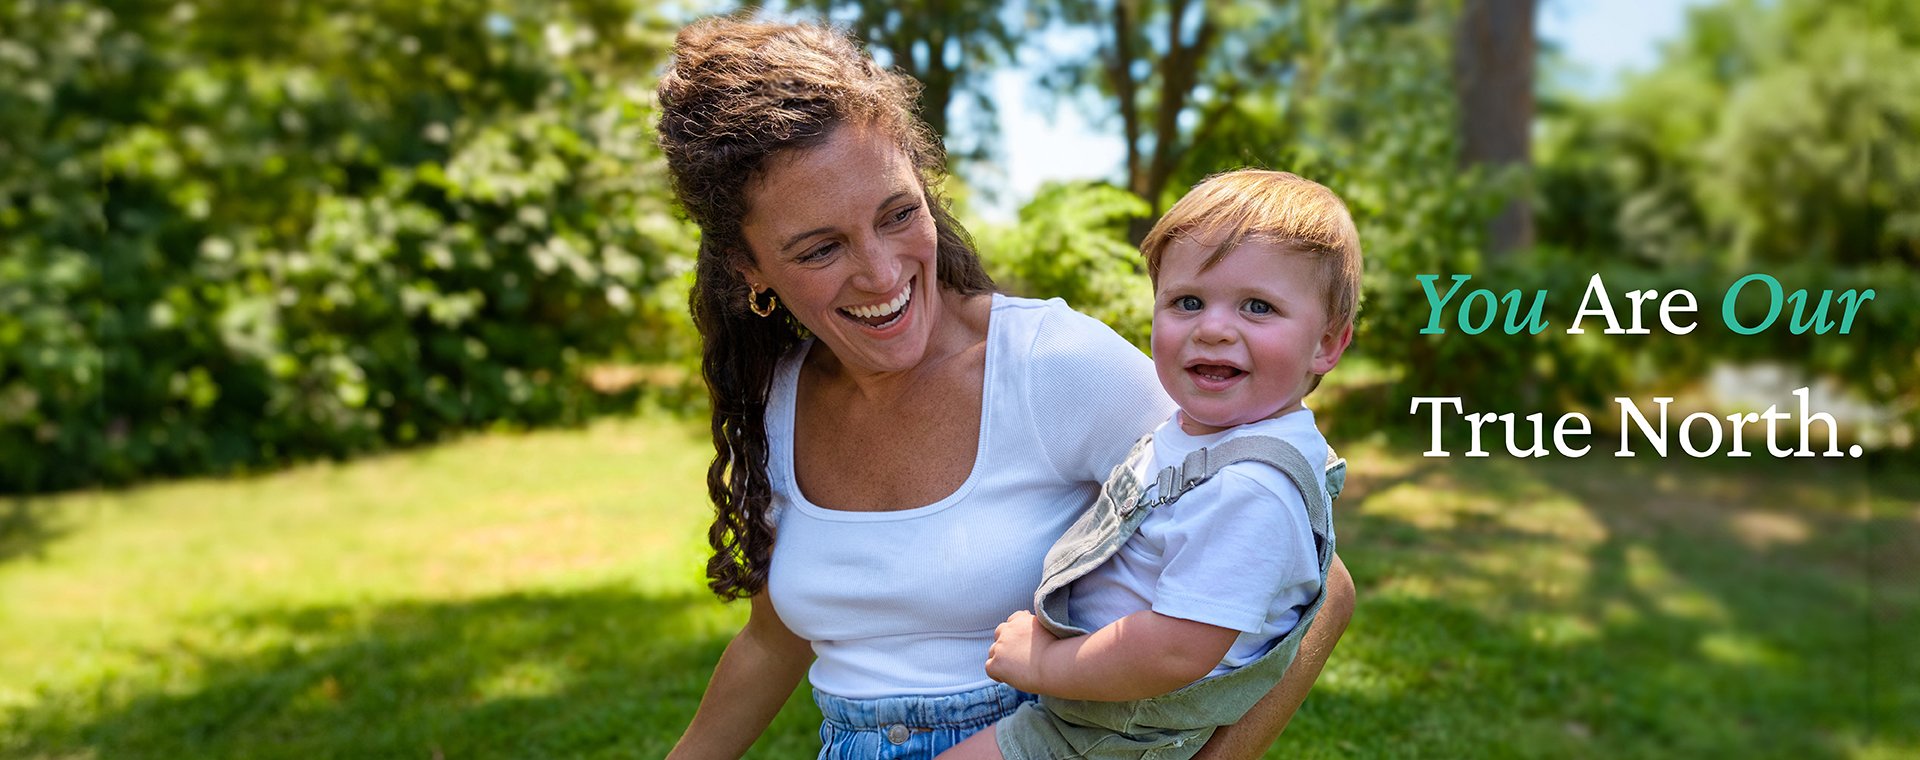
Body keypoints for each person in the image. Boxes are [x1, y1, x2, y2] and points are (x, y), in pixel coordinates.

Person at [655, 17, 1355, 760]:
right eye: (822, 248)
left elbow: (1318, 587)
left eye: (898, 215)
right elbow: (772, 643)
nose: (883, 274)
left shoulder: (1052, 365)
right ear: (748, 267)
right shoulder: (781, 398)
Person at [938, 170, 1358, 760]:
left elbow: (1174, 649)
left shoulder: (1251, 487)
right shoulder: (1200, 435)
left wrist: (1044, 662)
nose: (1213, 328)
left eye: (1257, 307)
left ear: (1327, 345)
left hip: (1116, 735)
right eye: (1188, 301)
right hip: (1099, 716)